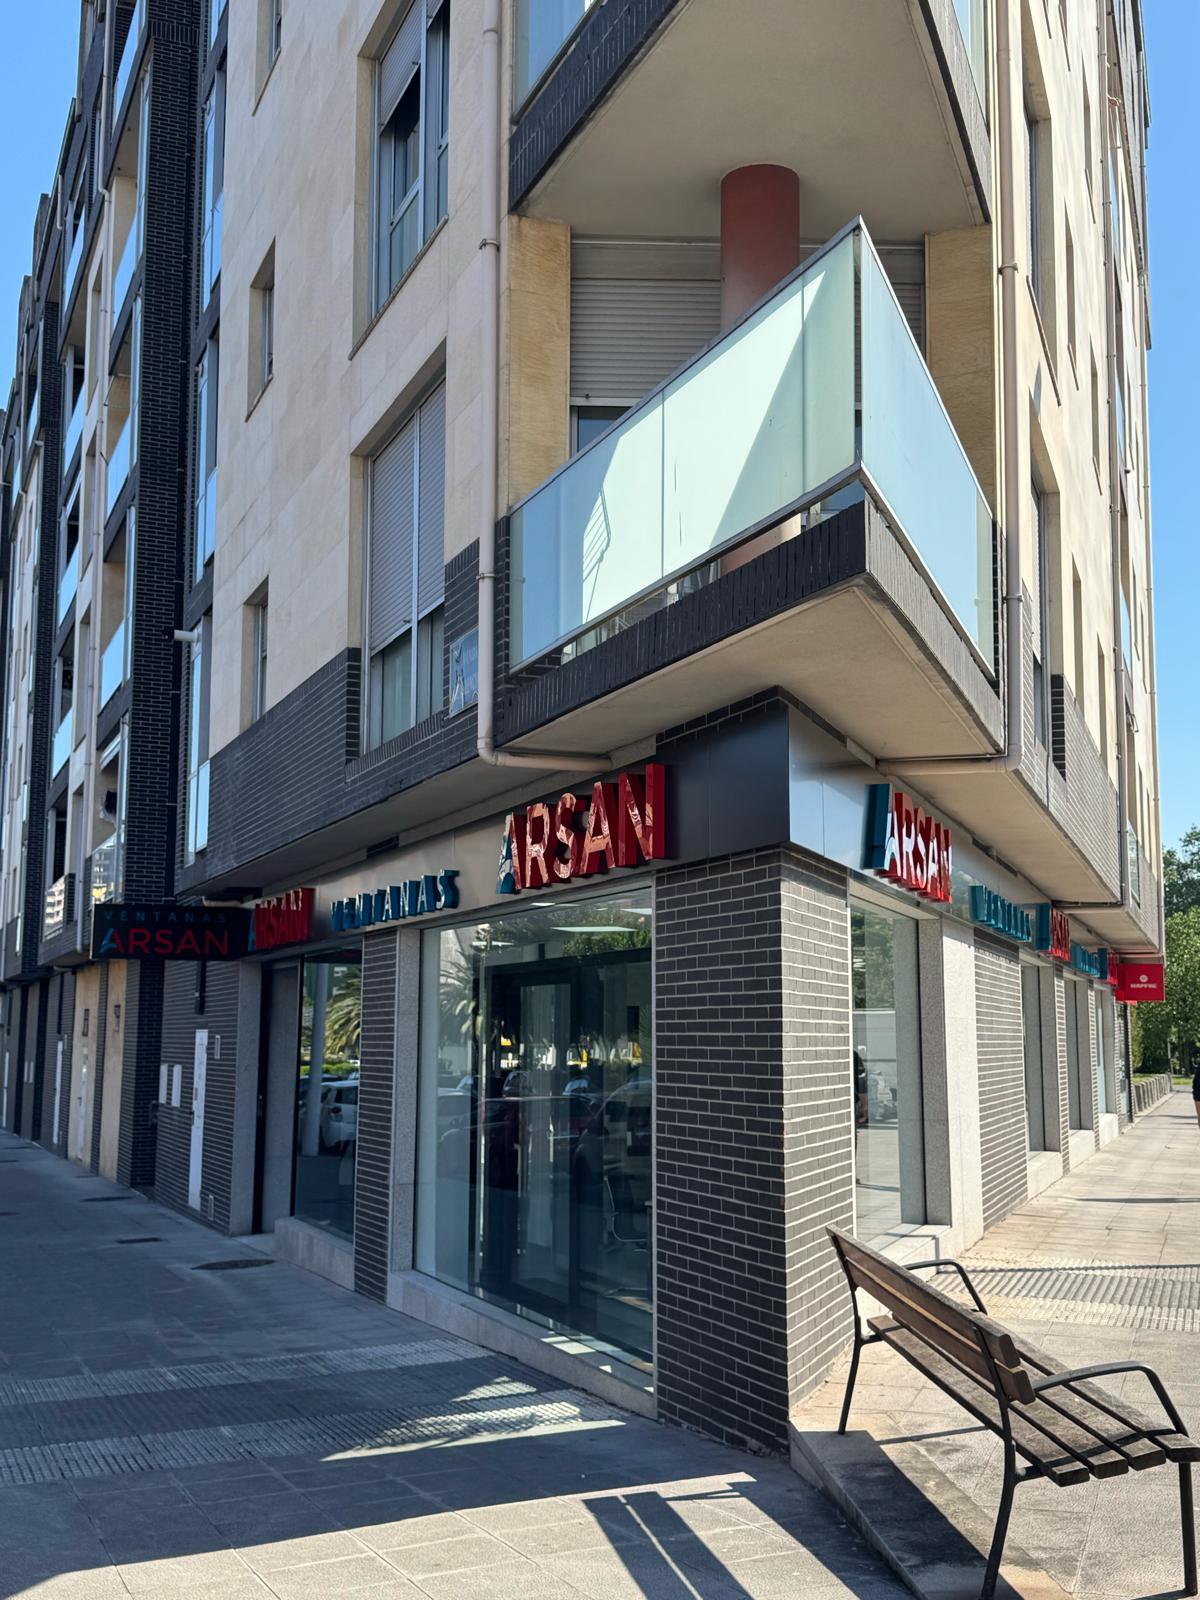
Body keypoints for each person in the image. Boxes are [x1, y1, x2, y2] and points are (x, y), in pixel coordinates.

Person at [854, 1049, 869, 1128]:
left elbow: (861, 1083)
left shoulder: (854, 1055)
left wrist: (863, 1107)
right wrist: (864, 1107)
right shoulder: (854, 1055)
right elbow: (861, 1085)